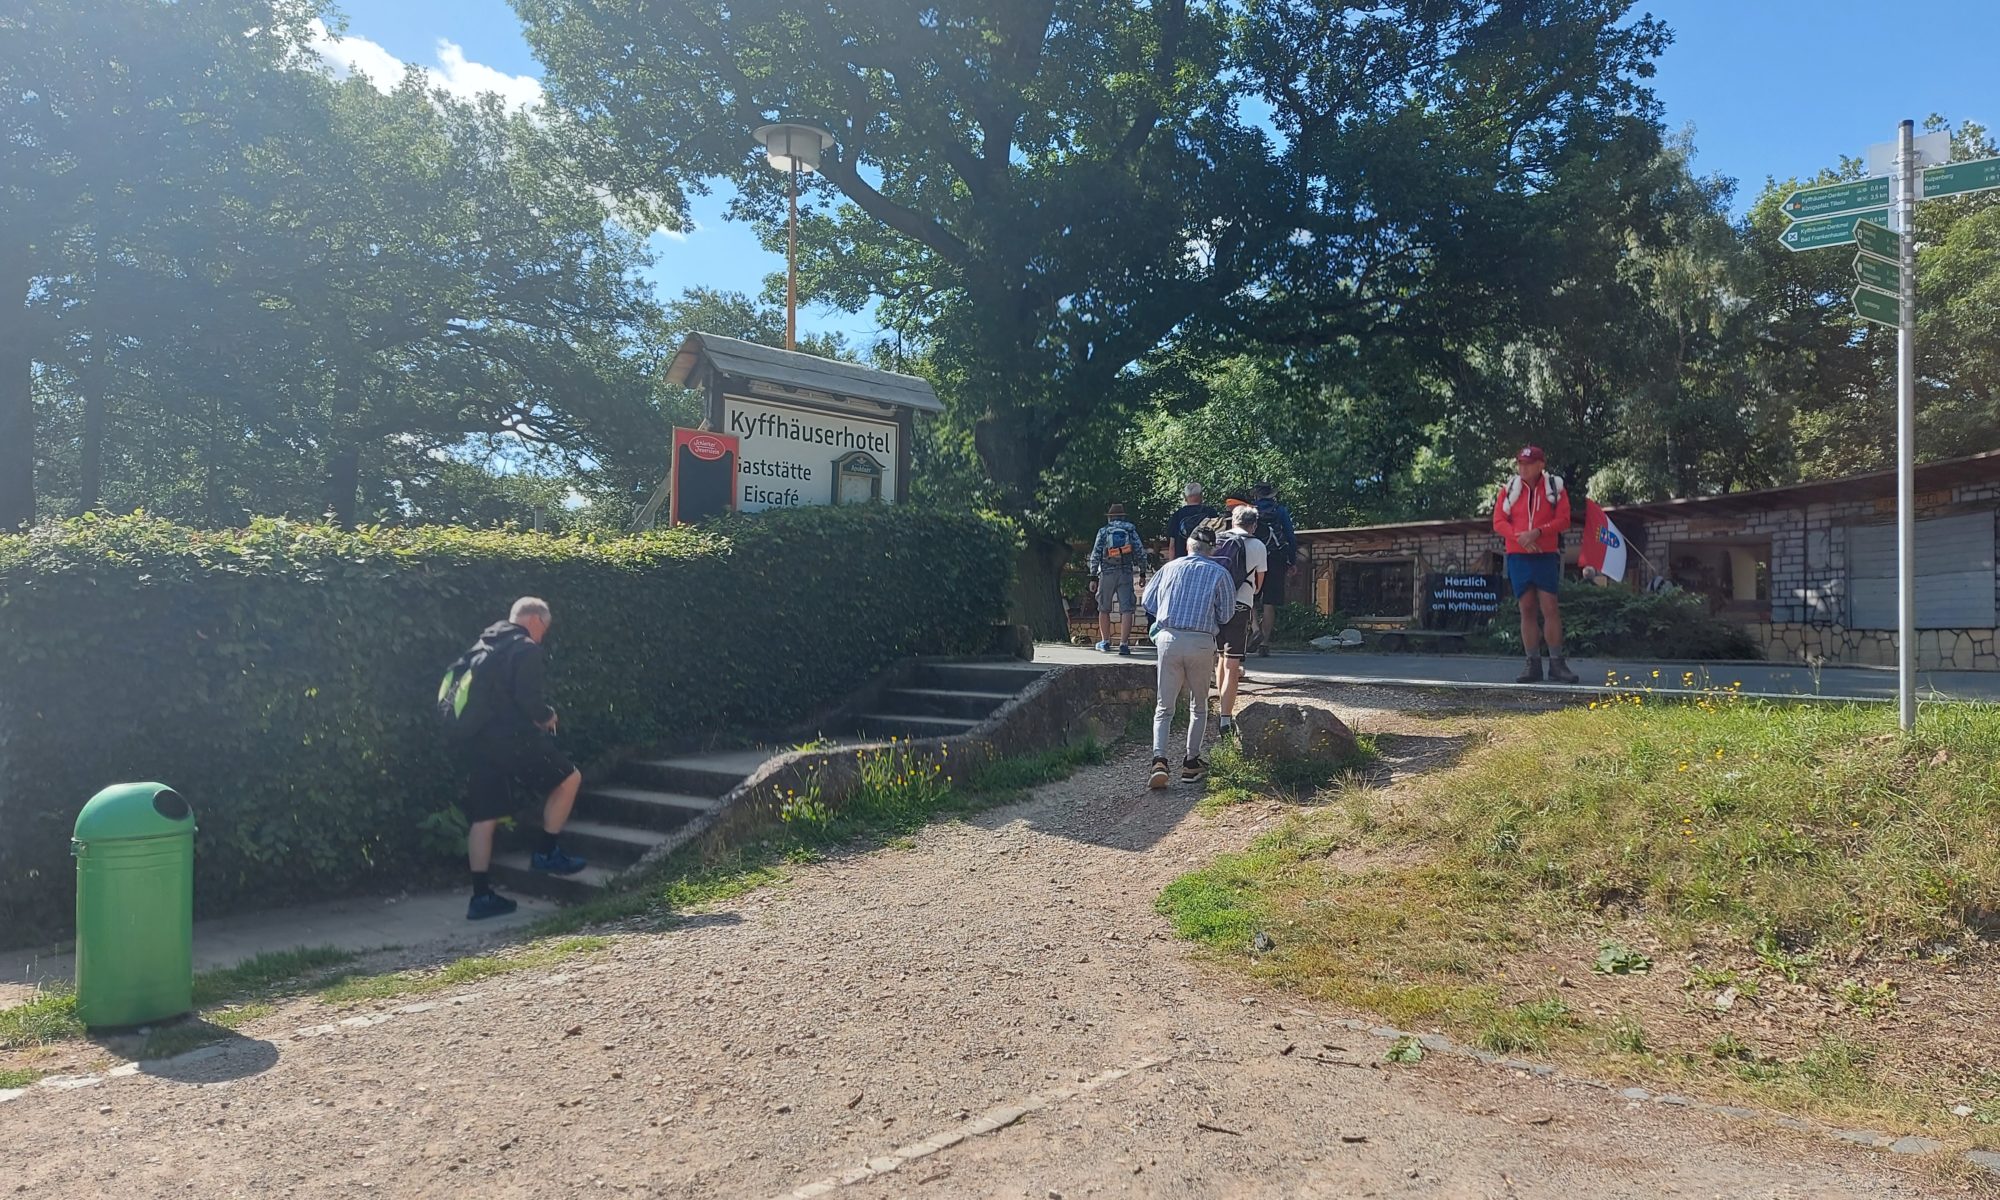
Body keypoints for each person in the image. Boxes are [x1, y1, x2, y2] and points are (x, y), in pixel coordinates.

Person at [448, 597, 587, 920]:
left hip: (477, 741)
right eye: (545, 629)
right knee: (569, 778)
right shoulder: (525, 648)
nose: (543, 636)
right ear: (536, 619)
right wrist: (547, 716)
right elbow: (529, 699)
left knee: (484, 817)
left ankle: (481, 897)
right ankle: (546, 852)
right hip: (512, 738)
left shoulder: (483, 645)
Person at [1139, 527, 1236, 789]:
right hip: (1201, 641)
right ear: (1212, 550)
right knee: (1199, 705)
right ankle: (1191, 762)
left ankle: (1159, 761)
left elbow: (1148, 601)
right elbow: (1227, 614)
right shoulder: (1220, 573)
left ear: (1188, 546)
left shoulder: (1168, 568)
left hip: (1168, 638)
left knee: (1164, 706)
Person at [1492, 447, 1580, 684]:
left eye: (1528, 463)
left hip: (1545, 554)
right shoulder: (1509, 489)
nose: (1523, 468)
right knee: (1526, 608)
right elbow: (1498, 521)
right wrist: (1521, 537)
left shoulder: (1555, 488)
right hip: (1518, 556)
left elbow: (1564, 520)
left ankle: (1557, 664)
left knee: (1550, 607)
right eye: (1520, 463)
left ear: (1541, 465)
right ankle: (1532, 664)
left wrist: (1538, 533)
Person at [1212, 505, 1268, 739]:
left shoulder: (1218, 540)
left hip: (1215, 604)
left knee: (1220, 658)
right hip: (1240, 605)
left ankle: (1217, 709)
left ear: (1233, 521)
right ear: (1253, 525)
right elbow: (1259, 584)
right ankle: (1226, 719)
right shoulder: (1258, 545)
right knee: (1232, 663)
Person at [1089, 503, 1145, 655]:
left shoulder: (1104, 531)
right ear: (1123, 517)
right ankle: (1124, 644)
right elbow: (1140, 552)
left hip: (1107, 573)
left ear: (1110, 517)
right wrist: (1142, 573)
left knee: (1103, 608)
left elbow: (1096, 554)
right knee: (1127, 609)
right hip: (1126, 572)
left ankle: (1105, 642)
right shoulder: (1130, 530)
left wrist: (1093, 576)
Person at [1249, 482, 1297, 657]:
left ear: (1256, 495)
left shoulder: (1250, 511)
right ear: (1271, 495)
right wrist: (1292, 561)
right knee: (1269, 603)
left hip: (1254, 557)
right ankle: (1264, 643)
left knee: (1249, 598)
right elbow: (1290, 536)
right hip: (1276, 559)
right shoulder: (1280, 511)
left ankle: (1255, 629)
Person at [1165, 483, 1218, 560]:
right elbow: (1218, 540)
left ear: (1185, 497)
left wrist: (1171, 563)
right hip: (1206, 560)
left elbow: (1172, 546)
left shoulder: (1177, 515)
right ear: (1201, 495)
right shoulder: (1211, 513)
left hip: (1182, 561)